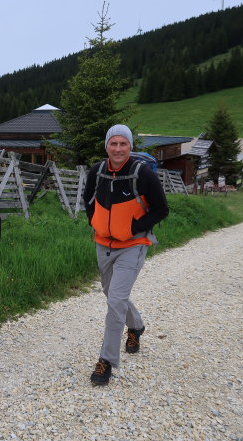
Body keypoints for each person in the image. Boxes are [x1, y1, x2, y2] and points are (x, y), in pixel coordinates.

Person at [82, 124, 169, 385]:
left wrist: (131, 228)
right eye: (113, 143)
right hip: (104, 244)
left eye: (123, 144)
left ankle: (106, 361)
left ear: (130, 146)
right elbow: (88, 201)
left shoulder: (141, 173)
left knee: (115, 300)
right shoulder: (97, 171)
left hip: (133, 245)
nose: (118, 149)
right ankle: (136, 326)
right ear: (106, 146)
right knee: (112, 295)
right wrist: (96, 224)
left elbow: (161, 210)